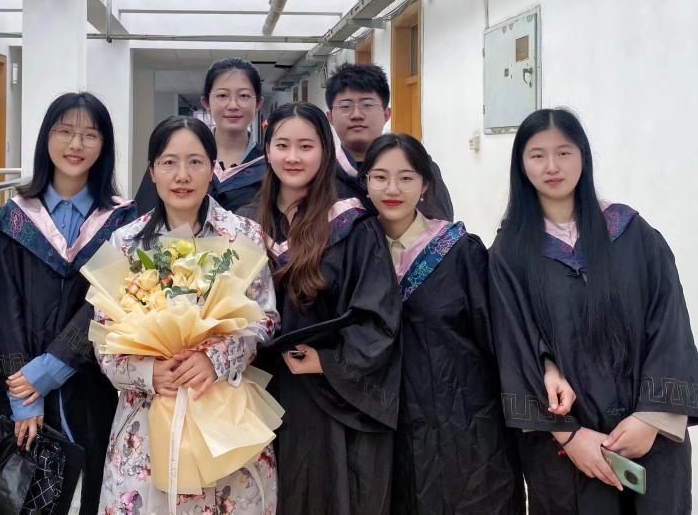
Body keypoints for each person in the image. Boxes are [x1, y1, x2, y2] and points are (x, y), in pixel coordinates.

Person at [490, 108, 698, 515]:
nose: (552, 166)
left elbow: (670, 325)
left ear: (583, 156)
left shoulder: (632, 233)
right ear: (521, 164)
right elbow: (512, 342)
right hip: (568, 448)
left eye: (564, 152)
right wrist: (569, 436)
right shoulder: (509, 252)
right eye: (537, 155)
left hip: (649, 439)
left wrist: (651, 418)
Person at [95, 116, 279, 513]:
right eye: (169, 163)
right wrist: (148, 373)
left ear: (213, 168)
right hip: (147, 422)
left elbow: (265, 319)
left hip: (222, 415)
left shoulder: (242, 234)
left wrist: (215, 359)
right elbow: (104, 338)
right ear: (152, 171)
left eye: (195, 162)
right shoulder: (125, 242)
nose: (182, 175)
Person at [246, 102, 402, 515]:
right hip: (255, 391)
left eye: (306, 146)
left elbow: (377, 314)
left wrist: (329, 361)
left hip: (325, 397)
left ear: (325, 151)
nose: (293, 157)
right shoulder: (243, 225)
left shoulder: (354, 224)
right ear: (267, 150)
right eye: (282, 145)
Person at [0, 92, 136, 515]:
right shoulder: (13, 218)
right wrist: (24, 392)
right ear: (46, 138)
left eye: (90, 135)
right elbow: (4, 307)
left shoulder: (123, 221)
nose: (76, 144)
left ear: (104, 144)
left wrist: (49, 369)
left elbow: (109, 301)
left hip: (92, 385)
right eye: (65, 131)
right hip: (20, 392)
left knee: (90, 493)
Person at [359, 133, 524, 514]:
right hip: (384, 422)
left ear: (425, 185)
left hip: (461, 419)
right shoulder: (355, 250)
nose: (393, 189)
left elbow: (496, 339)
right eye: (380, 177)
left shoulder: (458, 251)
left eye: (406, 177)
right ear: (365, 183)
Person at [325, 63, 454, 220]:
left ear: (386, 114)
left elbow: (441, 225)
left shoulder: (419, 165)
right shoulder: (321, 174)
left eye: (367, 104)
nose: (357, 114)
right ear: (330, 117)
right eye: (346, 106)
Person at [136, 58, 267, 213]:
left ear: (258, 103)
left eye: (244, 95)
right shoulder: (172, 157)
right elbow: (145, 215)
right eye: (222, 95)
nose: (233, 105)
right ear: (206, 102)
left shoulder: (269, 166)